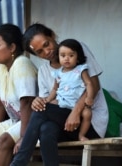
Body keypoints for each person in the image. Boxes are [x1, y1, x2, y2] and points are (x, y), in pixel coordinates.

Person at [10, 23, 108, 166]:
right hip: (66, 126)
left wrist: (75, 111)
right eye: (40, 51)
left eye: (46, 44)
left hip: (89, 124)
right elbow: (49, 102)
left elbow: (94, 85)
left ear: (52, 36)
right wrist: (39, 101)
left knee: (42, 114)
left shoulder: (75, 49)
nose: (47, 51)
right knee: (45, 126)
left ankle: (19, 162)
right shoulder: (44, 71)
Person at [0, 23, 38, 166]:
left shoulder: (22, 63)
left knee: (4, 140)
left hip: (32, 120)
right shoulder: (0, 66)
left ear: (12, 47)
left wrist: (23, 137)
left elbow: (27, 104)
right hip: (16, 121)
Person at [45, 38, 94, 141]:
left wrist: (89, 97)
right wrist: (48, 100)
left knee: (87, 114)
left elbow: (89, 84)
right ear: (58, 57)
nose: (66, 59)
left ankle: (81, 135)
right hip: (62, 101)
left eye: (71, 56)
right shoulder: (58, 73)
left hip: (77, 102)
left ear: (78, 57)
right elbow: (55, 89)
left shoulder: (81, 70)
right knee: (48, 107)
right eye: (63, 56)